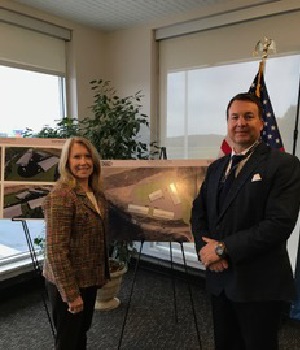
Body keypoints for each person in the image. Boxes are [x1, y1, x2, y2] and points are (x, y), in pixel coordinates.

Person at [191, 93, 300, 350]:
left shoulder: (284, 165)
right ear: (227, 123)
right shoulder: (216, 167)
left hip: (258, 285)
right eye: (235, 117)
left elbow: (279, 223)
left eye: (249, 116)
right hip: (220, 281)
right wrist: (205, 251)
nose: (241, 123)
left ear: (262, 123)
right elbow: (199, 213)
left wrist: (222, 249)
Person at [43, 136, 110, 350]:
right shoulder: (61, 196)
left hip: (87, 279)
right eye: (77, 157)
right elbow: (56, 251)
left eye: (87, 156)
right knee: (68, 341)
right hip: (68, 282)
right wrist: (71, 294)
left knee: (81, 333)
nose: (83, 162)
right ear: (67, 163)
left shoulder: (95, 194)